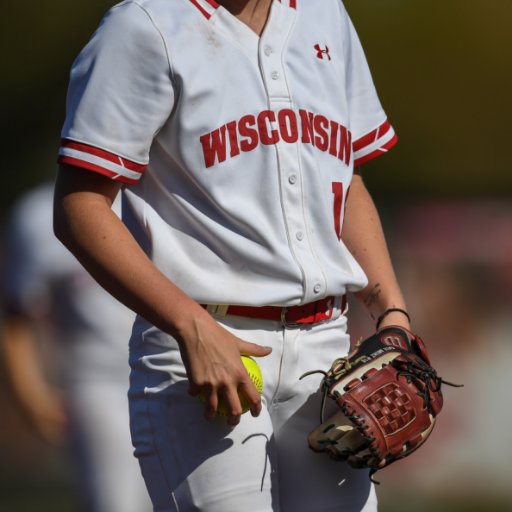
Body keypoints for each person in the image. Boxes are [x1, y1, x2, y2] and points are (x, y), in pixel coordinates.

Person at [53, 1, 410, 510]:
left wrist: (392, 310)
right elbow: (79, 206)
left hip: (326, 353)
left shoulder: (324, 13)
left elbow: (345, 179)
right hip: (203, 346)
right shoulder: (146, 24)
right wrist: (191, 326)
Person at [1, 181, 152, 512]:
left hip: (180, 371)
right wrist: (32, 398)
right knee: (116, 504)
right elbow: (17, 319)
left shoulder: (169, 193)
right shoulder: (39, 214)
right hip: (100, 383)